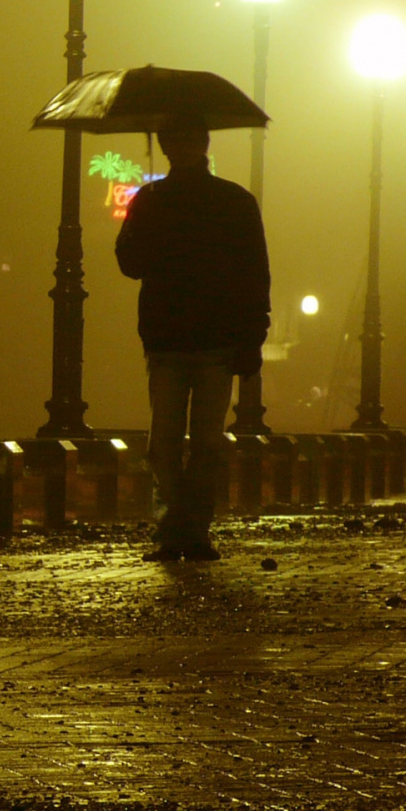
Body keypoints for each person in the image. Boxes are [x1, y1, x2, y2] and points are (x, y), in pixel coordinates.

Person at [115, 114, 270, 561]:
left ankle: (176, 527)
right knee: (201, 441)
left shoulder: (159, 200)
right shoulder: (232, 201)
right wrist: (253, 333)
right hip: (205, 337)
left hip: (174, 336)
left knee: (170, 441)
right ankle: (191, 528)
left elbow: (130, 263)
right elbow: (254, 274)